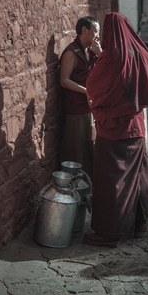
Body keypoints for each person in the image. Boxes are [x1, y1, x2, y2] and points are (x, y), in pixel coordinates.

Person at [83, 12, 148, 247]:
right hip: (136, 125)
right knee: (138, 174)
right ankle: (139, 224)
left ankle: (110, 232)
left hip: (114, 128)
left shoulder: (110, 59)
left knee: (111, 179)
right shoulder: (140, 53)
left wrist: (99, 56)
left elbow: (94, 86)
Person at [60, 16, 101, 178]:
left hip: (90, 107)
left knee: (88, 146)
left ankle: (88, 182)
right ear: (84, 31)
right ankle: (73, 182)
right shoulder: (72, 52)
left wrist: (101, 53)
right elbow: (64, 80)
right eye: (96, 31)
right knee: (76, 147)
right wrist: (86, 91)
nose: (98, 35)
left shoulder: (92, 51)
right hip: (76, 108)